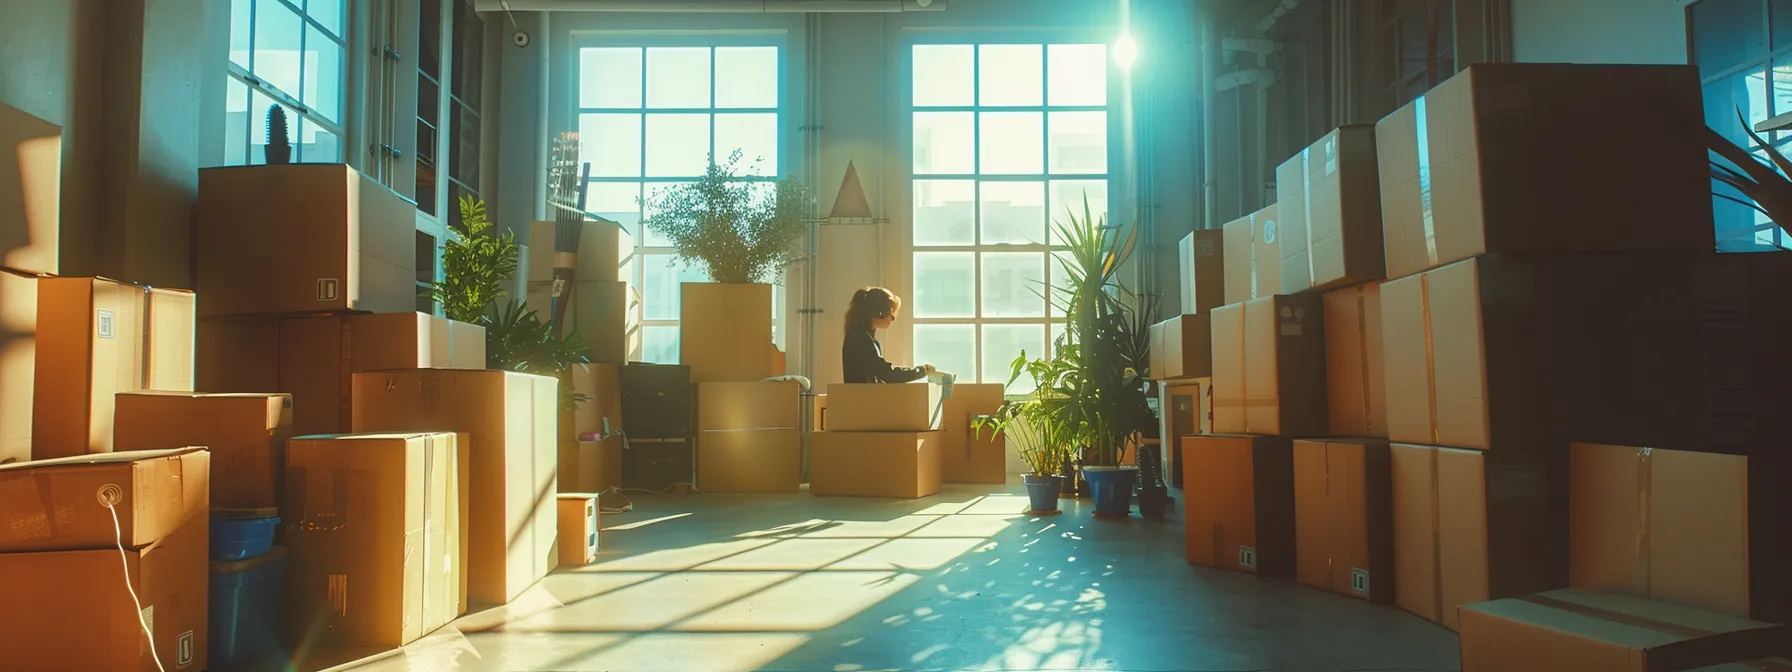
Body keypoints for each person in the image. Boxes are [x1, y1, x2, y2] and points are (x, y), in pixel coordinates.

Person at [842, 286, 935, 383]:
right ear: (880, 312)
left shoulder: (859, 337)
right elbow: (888, 374)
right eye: (891, 313)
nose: (893, 318)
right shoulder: (862, 340)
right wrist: (921, 371)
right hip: (863, 397)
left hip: (861, 396)